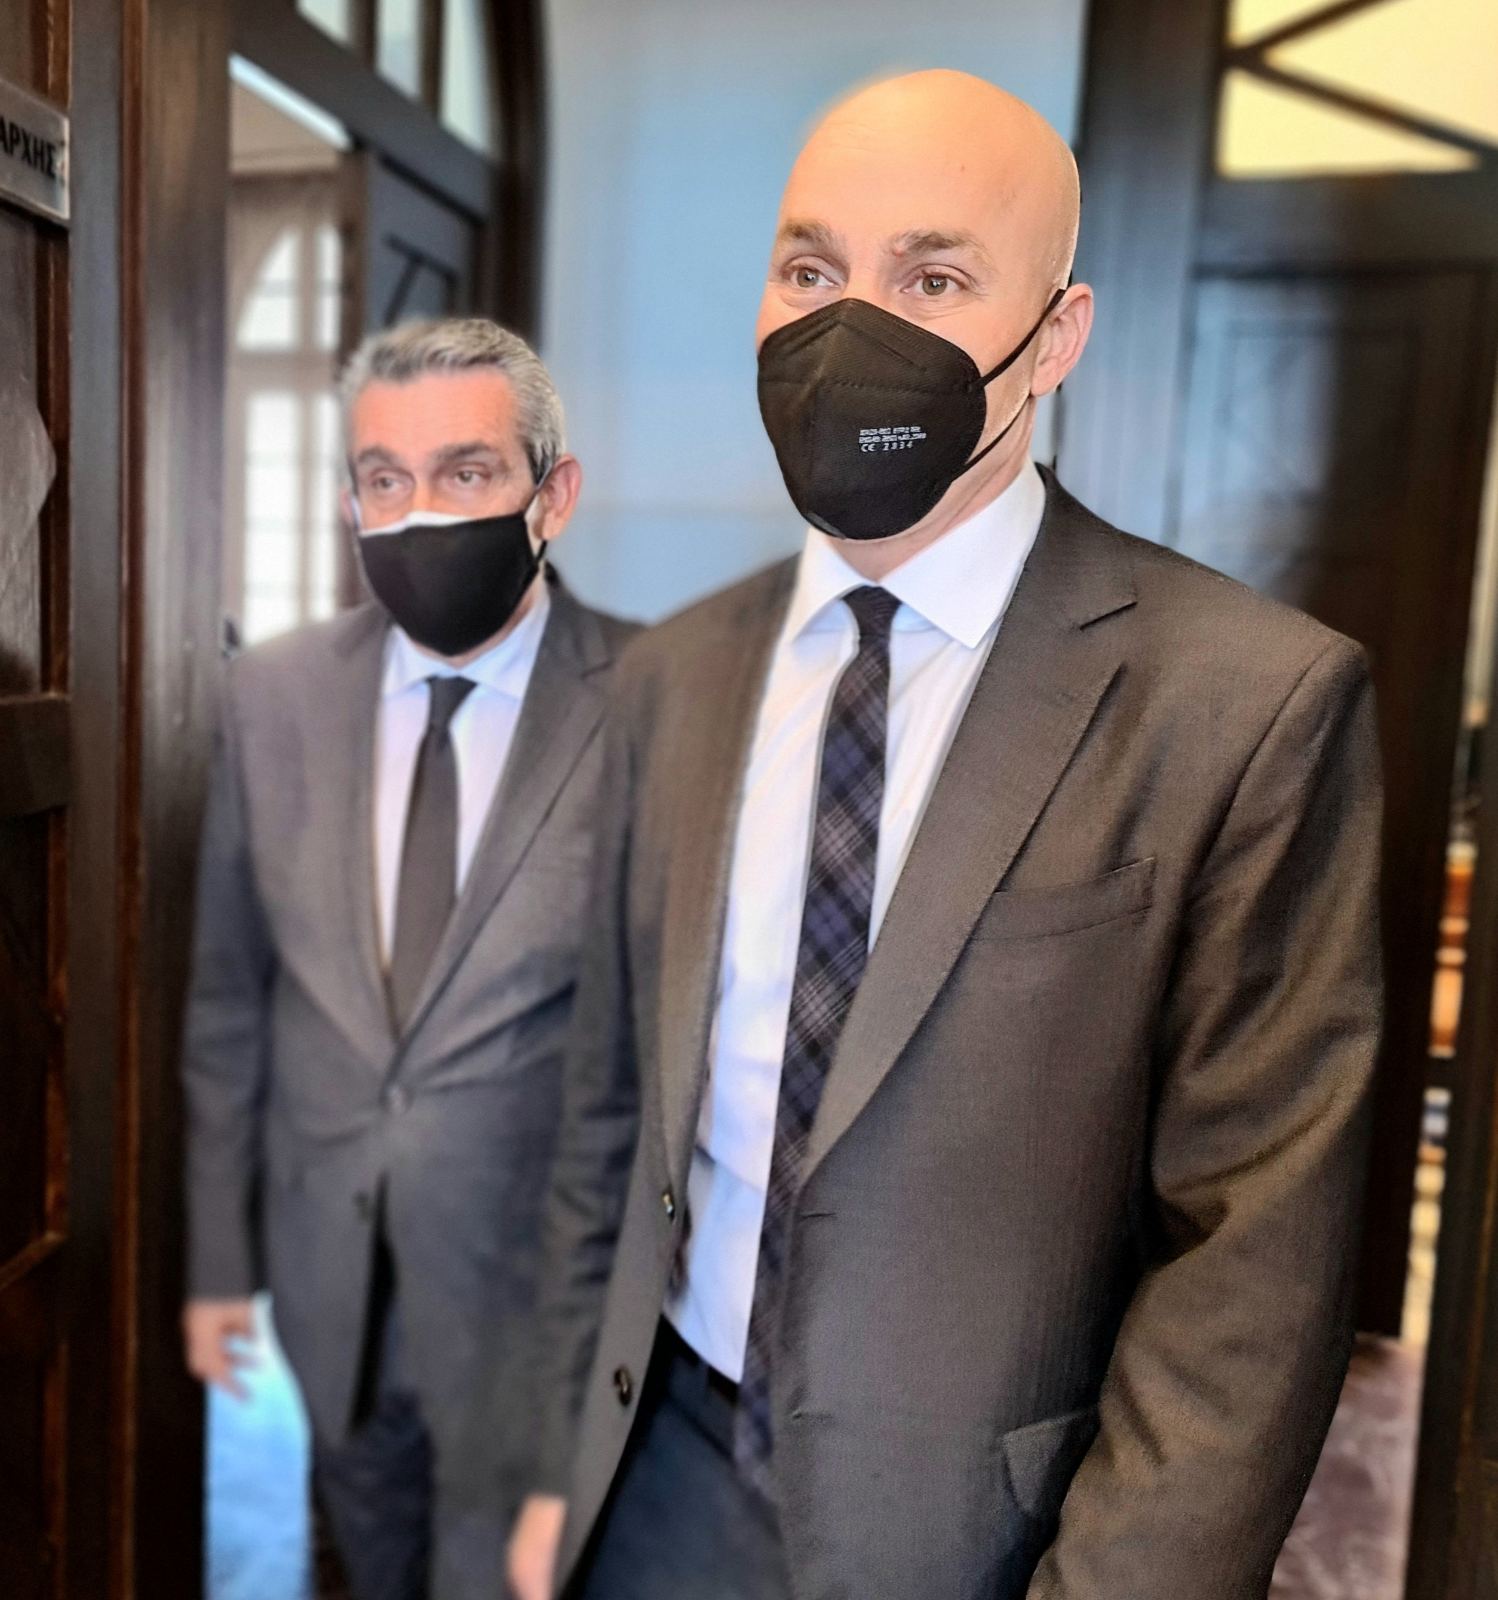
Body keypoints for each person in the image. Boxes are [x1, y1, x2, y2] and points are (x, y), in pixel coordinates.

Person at [507, 70, 1383, 1600]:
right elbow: (606, 1109)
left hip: (985, 1536)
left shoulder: (1247, 706)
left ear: (1056, 335)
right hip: (651, 1482)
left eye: (931, 278)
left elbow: (1252, 1261)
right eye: (809, 270)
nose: (851, 328)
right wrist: (549, 1469)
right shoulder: (667, 677)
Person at [181, 317, 637, 1600]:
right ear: (349, 503)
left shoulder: (652, 700)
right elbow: (228, 1001)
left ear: (552, 495)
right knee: (367, 1561)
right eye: (385, 479)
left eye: (466, 472)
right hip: (329, 1286)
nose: (420, 511)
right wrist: (219, 1268)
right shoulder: (272, 697)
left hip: (535, 1312)